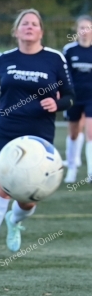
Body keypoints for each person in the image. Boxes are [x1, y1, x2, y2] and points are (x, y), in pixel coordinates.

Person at [0, 9, 74, 259]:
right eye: (24, 23)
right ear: (15, 31)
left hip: (39, 133)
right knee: (3, 186)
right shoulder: (5, 59)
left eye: (34, 24)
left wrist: (57, 105)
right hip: (7, 129)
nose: (29, 27)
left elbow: (70, 96)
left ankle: (14, 221)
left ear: (41, 31)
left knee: (28, 199)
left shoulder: (54, 59)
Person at [62, 15, 92, 183]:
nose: (85, 31)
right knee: (73, 134)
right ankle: (72, 169)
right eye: (82, 28)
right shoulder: (69, 50)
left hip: (91, 98)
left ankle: (91, 172)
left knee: (91, 132)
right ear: (77, 30)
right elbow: (63, 75)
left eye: (88, 28)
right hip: (74, 97)